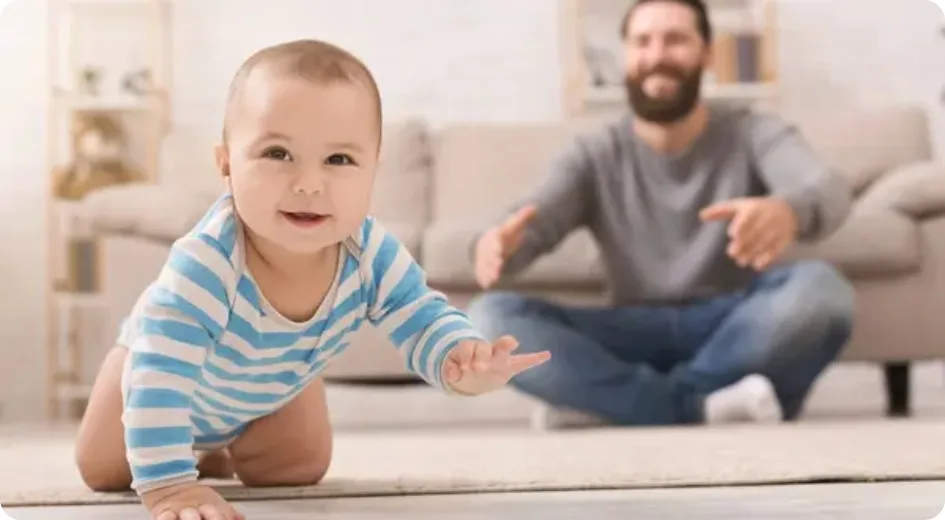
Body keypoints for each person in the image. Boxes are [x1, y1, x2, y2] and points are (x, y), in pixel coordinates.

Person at [73, 40, 550, 520]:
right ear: (226, 165)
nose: (308, 183)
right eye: (278, 153)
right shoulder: (207, 264)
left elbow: (419, 312)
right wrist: (171, 489)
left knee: (299, 467)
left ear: (372, 174)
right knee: (104, 469)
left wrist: (459, 357)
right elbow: (161, 375)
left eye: (338, 160)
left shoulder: (369, 253)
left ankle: (219, 450)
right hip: (155, 376)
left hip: (269, 390)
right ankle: (189, 455)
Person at [467, 0, 855, 430]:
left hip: (729, 327)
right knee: (488, 319)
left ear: (708, 53)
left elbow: (830, 188)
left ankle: (615, 403)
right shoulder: (594, 153)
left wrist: (789, 211)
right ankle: (705, 405)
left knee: (823, 291)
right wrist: (496, 245)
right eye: (642, 42)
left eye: (675, 40)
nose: (657, 56)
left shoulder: (753, 132)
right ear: (626, 55)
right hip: (630, 331)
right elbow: (532, 221)